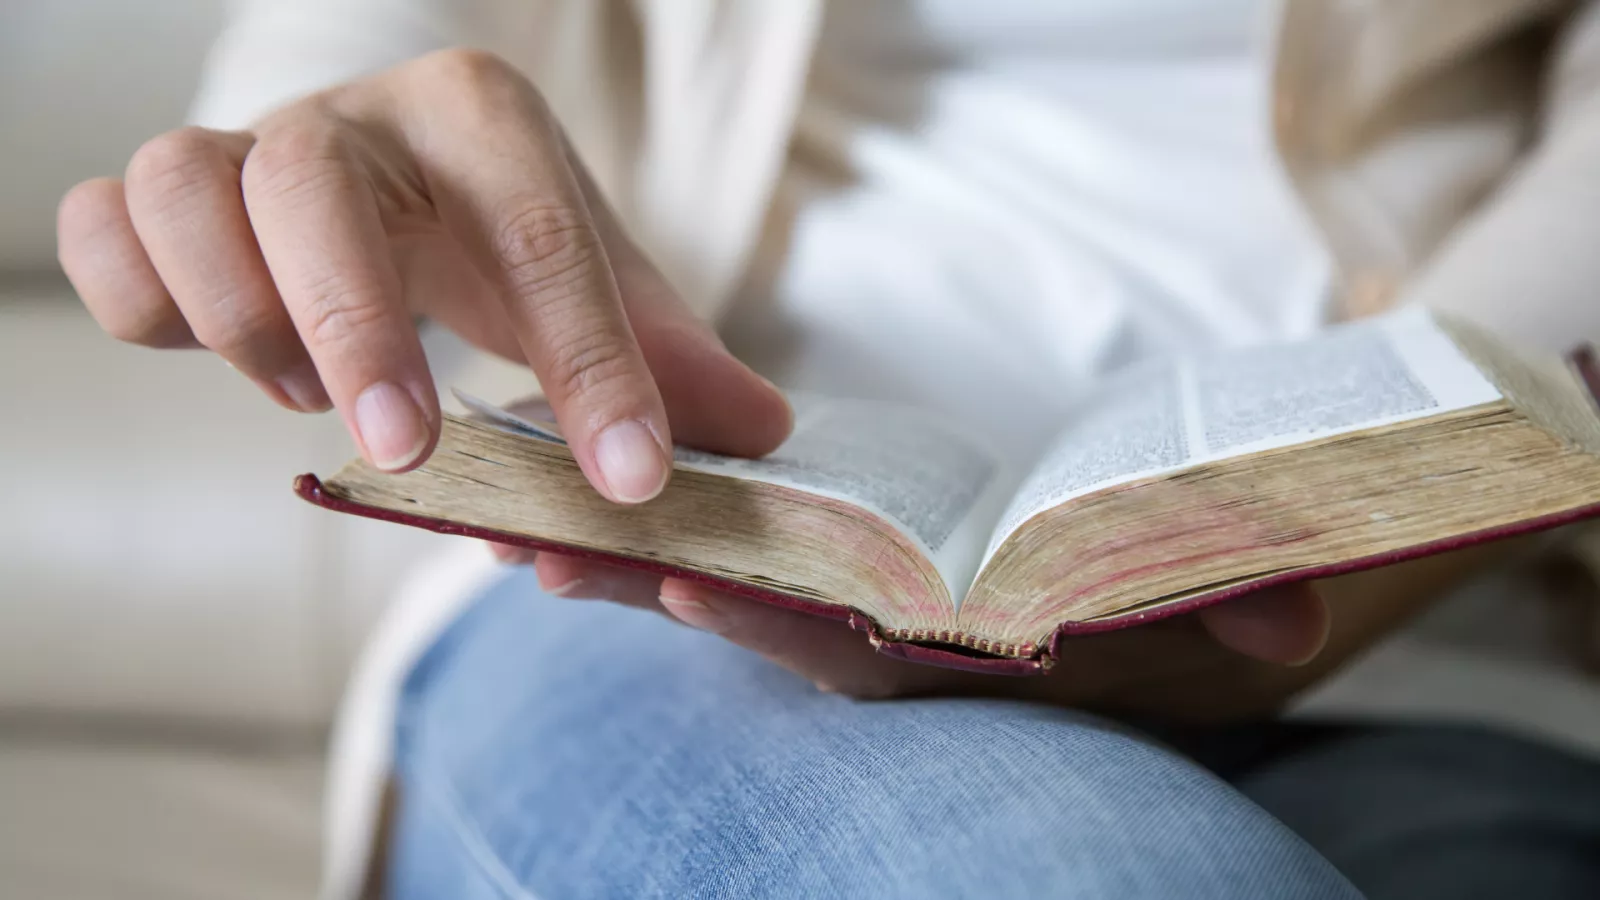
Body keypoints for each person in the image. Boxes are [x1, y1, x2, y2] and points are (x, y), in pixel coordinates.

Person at [55, 0, 1600, 897]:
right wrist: (301, 154)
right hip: (691, 586)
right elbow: (338, 51)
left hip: (1432, 650)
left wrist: (1390, 502)